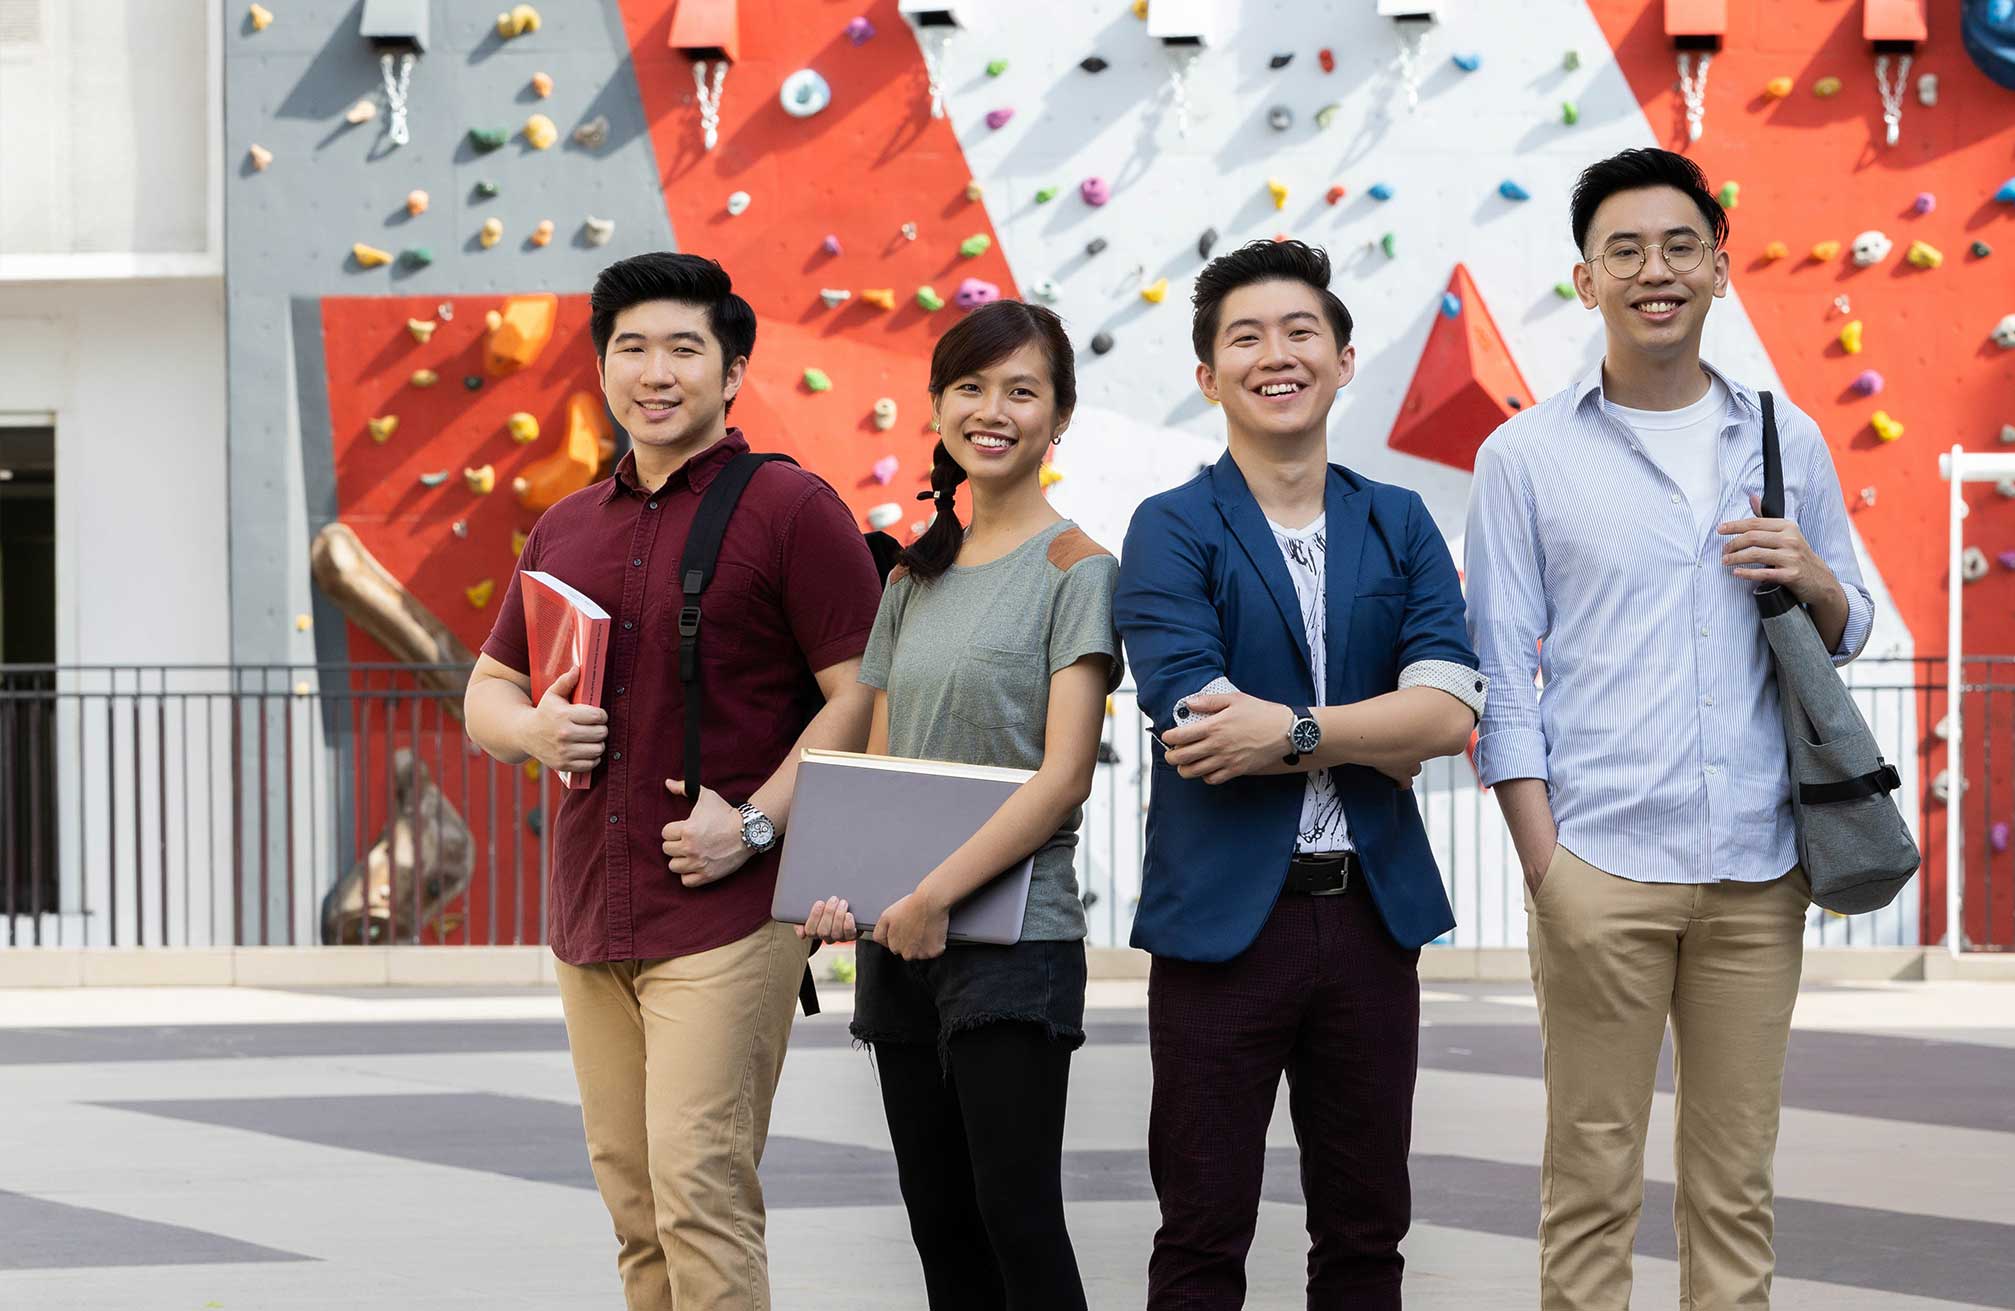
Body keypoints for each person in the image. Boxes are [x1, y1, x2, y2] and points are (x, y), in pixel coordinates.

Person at [1461, 147, 1877, 1310]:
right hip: (1602, 863)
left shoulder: (1781, 436)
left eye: (1679, 246)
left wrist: (1812, 577)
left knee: (1734, 1184)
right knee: (1589, 1180)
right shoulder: (1525, 457)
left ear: (1719, 269)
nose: (1657, 270)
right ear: (1586, 281)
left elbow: (1849, 629)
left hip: (1759, 867)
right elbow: (1499, 667)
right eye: (1626, 251)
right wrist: (1550, 868)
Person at [462, 252, 881, 1309]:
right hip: (591, 912)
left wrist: (752, 823)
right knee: (636, 1205)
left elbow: (861, 695)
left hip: (729, 913)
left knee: (699, 1190)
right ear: (602, 371)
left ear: (732, 371)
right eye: (631, 349)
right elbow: (485, 696)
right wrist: (535, 729)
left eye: (684, 349)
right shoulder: (565, 525)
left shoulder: (791, 507)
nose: (656, 371)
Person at [1114, 239, 1486, 1311]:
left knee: (1368, 1234)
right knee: (1200, 1232)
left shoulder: (1400, 521)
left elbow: (1451, 708)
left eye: (1298, 332)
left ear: (1342, 358)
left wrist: (1300, 730)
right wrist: (1376, 730)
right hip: (1225, 928)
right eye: (1245, 337)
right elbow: (1199, 726)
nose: (1274, 355)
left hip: (1371, 918)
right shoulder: (1171, 528)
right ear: (1207, 377)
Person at [796, 300, 1112, 1311]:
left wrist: (932, 891)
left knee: (1015, 1218)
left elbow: (1063, 775)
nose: (994, 409)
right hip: (903, 937)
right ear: (936, 408)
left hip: (1014, 939)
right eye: (972, 388)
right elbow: (884, 771)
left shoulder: (1078, 570)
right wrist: (851, 890)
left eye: (1022, 391)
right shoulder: (914, 578)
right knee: (939, 1222)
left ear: (1058, 417)